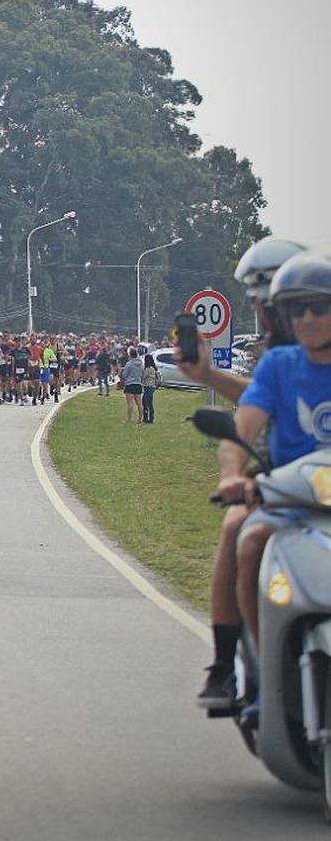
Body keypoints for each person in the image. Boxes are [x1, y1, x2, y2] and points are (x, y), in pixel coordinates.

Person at [185, 237, 307, 709]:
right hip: (280, 473)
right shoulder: (276, 356)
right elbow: (247, 420)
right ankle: (230, 663)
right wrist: (231, 476)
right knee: (238, 528)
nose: (265, 315)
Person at [221, 253, 331, 699]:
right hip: (291, 500)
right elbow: (242, 427)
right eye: (296, 309)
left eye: (318, 307)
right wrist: (232, 474)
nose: (306, 318)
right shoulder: (278, 365)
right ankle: (268, 672)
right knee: (249, 541)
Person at [119, 347, 145, 423]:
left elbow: (124, 375)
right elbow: (142, 373)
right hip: (138, 384)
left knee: (130, 403)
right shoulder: (141, 364)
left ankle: (129, 419)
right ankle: (140, 418)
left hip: (130, 384)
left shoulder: (129, 364)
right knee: (139, 403)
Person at [141, 353, 159, 424]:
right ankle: (149, 418)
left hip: (148, 387)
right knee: (148, 403)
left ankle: (148, 418)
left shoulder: (149, 369)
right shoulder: (153, 368)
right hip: (151, 387)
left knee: (146, 403)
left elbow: (143, 377)